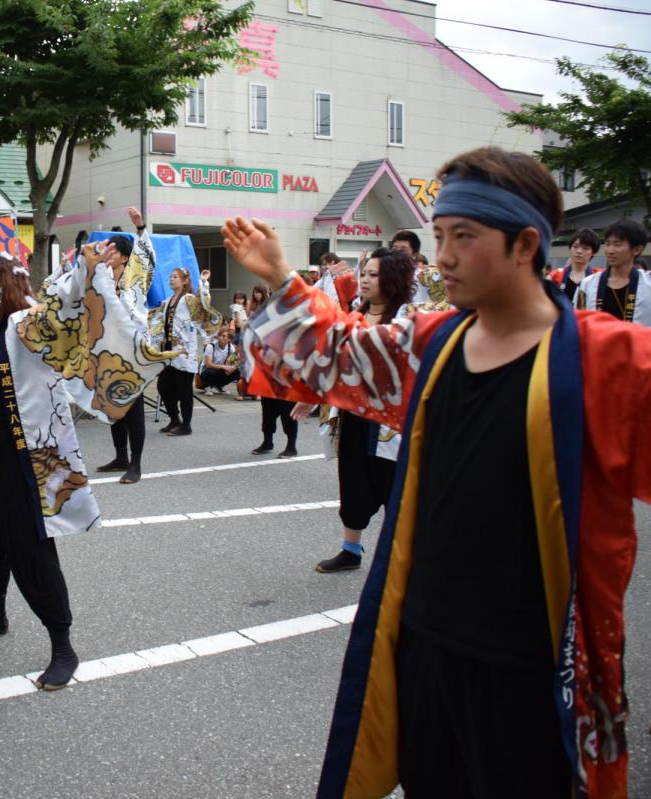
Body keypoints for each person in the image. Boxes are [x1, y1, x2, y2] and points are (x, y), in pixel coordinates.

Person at [223, 147, 651, 798]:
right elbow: (340, 351)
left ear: (526, 244)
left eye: (464, 237)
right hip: (423, 641)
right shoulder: (433, 340)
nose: (442, 256)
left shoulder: (611, 360)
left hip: (534, 663)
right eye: (440, 236)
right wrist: (283, 274)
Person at [0, 243, 172, 691]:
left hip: (18, 459)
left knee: (30, 550)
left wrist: (84, 267)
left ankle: (63, 645)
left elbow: (65, 306)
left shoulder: (25, 326)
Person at [308, 248, 413, 573]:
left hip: (393, 421)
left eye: (373, 274)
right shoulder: (354, 313)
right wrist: (311, 396)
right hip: (354, 415)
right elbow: (337, 359)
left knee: (396, 487)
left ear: (392, 279)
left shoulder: (410, 316)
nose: (365, 279)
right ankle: (350, 549)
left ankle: (404, 558)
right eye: (363, 273)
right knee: (353, 482)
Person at [94, 207, 157, 485]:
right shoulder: (104, 278)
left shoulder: (136, 276)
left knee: (132, 404)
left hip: (133, 347)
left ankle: (136, 463)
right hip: (110, 347)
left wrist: (140, 227)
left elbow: (147, 257)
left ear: (123, 255)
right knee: (112, 403)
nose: (107, 255)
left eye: (111, 251)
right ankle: (120, 456)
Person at [149, 266, 220, 436]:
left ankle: (186, 425)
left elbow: (204, 303)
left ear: (185, 281)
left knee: (184, 390)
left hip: (185, 352)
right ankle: (174, 419)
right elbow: (155, 318)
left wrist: (203, 283)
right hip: (168, 352)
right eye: (171, 276)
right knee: (163, 386)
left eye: (175, 277)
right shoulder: (167, 301)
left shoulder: (189, 299)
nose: (172, 279)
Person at [574, 219, 650, 324]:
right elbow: (578, 322)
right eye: (607, 244)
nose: (610, 250)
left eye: (617, 245)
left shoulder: (648, 285)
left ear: (637, 250)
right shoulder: (587, 284)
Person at [548, 229, 599, 303]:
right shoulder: (554, 276)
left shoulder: (598, 277)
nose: (579, 251)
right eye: (575, 246)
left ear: (594, 252)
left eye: (585, 248)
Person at [198, 328, 239, 395]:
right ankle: (207, 386)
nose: (220, 338)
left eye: (223, 336)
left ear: (229, 339)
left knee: (236, 372)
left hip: (219, 370)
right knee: (210, 371)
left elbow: (234, 361)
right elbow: (208, 364)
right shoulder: (211, 346)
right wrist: (224, 367)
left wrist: (232, 367)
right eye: (219, 335)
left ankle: (219, 385)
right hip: (206, 371)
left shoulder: (230, 347)